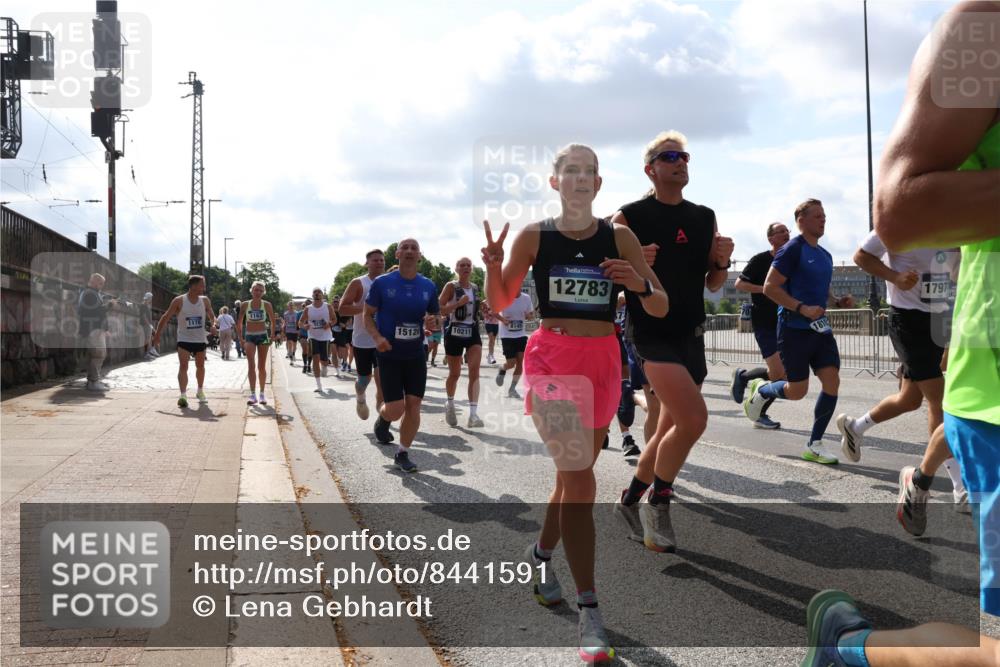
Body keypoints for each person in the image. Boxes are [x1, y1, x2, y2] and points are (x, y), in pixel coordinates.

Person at [802, 4, 999, 665]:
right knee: (929, 399)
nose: (820, 220)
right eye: (814, 214)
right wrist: (896, 277)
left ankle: (905, 464)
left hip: (949, 319)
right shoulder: (986, 25)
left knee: (921, 398)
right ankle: (928, 477)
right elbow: (891, 221)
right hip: (927, 327)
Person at [484, 143, 667, 663]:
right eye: (570, 170)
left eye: (589, 171)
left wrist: (637, 283)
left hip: (603, 362)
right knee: (582, 480)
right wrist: (494, 268)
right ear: (555, 181)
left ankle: (540, 554)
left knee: (571, 478)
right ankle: (590, 609)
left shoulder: (620, 236)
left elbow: (660, 303)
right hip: (552, 359)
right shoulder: (535, 235)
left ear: (599, 183)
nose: (580, 178)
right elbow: (501, 302)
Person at [612, 130, 734, 555]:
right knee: (694, 420)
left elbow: (714, 283)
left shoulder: (704, 216)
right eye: (669, 157)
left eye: (684, 156)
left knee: (668, 427)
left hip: (691, 333)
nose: (680, 162)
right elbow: (602, 271)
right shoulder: (628, 217)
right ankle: (658, 503)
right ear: (650, 169)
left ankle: (628, 501)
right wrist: (632, 261)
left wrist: (722, 261)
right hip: (651, 333)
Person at [839, 232, 967, 530]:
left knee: (909, 400)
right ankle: (960, 487)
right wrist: (895, 277)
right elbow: (861, 256)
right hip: (906, 319)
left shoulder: (955, 224)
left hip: (937, 318)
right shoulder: (901, 218)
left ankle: (855, 427)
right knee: (939, 400)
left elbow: (957, 274)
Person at [741, 199, 854, 465]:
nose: (823, 220)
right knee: (797, 391)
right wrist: (801, 308)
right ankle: (763, 390)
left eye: (824, 216)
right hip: (793, 328)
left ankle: (814, 444)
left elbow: (822, 290)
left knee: (832, 382)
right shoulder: (792, 249)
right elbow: (770, 287)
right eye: (817, 216)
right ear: (801, 220)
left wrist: (837, 301)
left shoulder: (825, 255)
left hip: (820, 329)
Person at [364, 238, 441, 472]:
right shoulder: (382, 283)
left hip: (415, 353)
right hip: (389, 354)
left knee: (414, 404)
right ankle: (383, 419)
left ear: (420, 256)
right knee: (395, 409)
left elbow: (436, 317)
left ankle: (402, 452)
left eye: (414, 248)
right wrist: (377, 338)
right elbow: (367, 315)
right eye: (404, 248)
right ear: (397, 254)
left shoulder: (428, 285)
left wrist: (433, 322)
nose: (409, 251)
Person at [729, 222, 790, 429]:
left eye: (787, 231)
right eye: (780, 231)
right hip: (765, 322)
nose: (786, 234)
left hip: (786, 323)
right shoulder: (760, 260)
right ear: (770, 238)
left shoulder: (791, 261)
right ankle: (759, 413)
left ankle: (744, 377)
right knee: (779, 374)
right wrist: (765, 288)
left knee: (782, 374)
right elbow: (739, 284)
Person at [152, 275, 216, 408]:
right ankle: (183, 395)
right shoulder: (179, 301)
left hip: (199, 339)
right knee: (183, 366)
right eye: (202, 285)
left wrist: (214, 324)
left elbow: (211, 315)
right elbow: (165, 317)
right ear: (193, 286)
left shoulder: (205, 300)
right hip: (184, 339)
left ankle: (200, 391)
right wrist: (157, 335)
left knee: (200, 366)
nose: (204, 288)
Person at [339, 249, 387, 420]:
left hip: (383, 340)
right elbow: (342, 308)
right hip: (362, 341)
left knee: (382, 380)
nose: (379, 263)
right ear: (367, 263)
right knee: (364, 380)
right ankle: (360, 397)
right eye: (375, 260)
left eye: (382, 260)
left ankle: (382, 420)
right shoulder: (359, 283)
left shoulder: (390, 283)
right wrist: (367, 308)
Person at [440, 258, 485, 428]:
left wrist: (483, 307)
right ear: (456, 269)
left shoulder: (475, 287)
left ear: (471, 269)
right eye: (462, 265)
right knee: (455, 374)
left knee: (475, 372)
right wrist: (458, 304)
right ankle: (450, 403)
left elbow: (474, 310)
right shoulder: (451, 286)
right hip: (454, 331)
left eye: (468, 265)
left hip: (472, 331)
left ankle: (473, 415)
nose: (466, 267)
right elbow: (439, 308)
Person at [236, 281, 277, 406]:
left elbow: (273, 320)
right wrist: (241, 338)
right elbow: (239, 323)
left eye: (260, 290)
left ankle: (262, 394)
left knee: (261, 366)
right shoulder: (245, 304)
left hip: (263, 336)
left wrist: (272, 335)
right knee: (251, 365)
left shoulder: (267, 305)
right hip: (249, 336)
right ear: (252, 291)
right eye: (256, 290)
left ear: (263, 292)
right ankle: (253, 394)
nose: (258, 292)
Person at [77, 272, 119, 391]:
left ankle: (92, 381)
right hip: (93, 329)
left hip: (92, 329)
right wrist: (110, 305)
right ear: (95, 282)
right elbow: (96, 311)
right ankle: (93, 382)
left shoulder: (89, 293)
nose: (102, 286)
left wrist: (105, 329)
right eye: (101, 283)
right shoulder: (90, 293)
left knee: (95, 355)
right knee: (98, 354)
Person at [494, 283, 534, 400]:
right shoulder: (503, 298)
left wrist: (529, 315)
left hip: (520, 335)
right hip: (507, 335)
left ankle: (512, 388)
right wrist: (503, 319)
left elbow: (531, 314)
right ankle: (502, 368)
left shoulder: (526, 298)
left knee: (520, 362)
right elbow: (494, 312)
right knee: (511, 363)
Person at [299, 288, 336, 393]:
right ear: (312, 295)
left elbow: (334, 319)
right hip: (313, 336)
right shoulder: (308, 308)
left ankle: (324, 366)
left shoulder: (328, 306)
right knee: (315, 357)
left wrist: (329, 324)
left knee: (324, 360)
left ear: (322, 295)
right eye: (315, 292)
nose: (317, 294)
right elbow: (300, 322)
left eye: (319, 292)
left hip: (325, 336)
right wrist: (304, 326)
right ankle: (319, 385)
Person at [332, 296, 351, 376]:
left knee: (340, 355)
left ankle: (341, 362)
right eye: (334, 302)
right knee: (333, 352)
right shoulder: (330, 312)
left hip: (342, 334)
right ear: (332, 303)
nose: (336, 303)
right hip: (332, 334)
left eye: (337, 302)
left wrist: (345, 325)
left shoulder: (344, 311)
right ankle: (337, 370)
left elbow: (349, 321)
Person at [282, 301, 300, 365]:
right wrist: (283, 328)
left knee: (294, 344)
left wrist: (299, 330)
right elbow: (285, 322)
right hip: (288, 330)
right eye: (290, 305)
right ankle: (291, 358)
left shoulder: (297, 313)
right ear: (288, 306)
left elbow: (298, 322)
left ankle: (293, 354)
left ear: (294, 306)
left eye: (292, 305)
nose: (291, 306)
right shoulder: (285, 314)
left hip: (295, 331)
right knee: (289, 343)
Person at [140, 292, 157, 360]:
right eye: (151, 298)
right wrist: (149, 324)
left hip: (149, 324)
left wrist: (150, 324)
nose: (151, 299)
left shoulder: (147, 305)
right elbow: (144, 316)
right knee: (147, 338)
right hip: (145, 324)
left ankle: (152, 349)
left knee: (154, 334)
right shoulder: (143, 305)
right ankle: (146, 354)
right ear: (148, 298)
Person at [297, 300, 311, 376]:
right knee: (305, 349)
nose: (307, 306)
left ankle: (309, 365)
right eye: (306, 305)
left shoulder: (314, 313)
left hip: (312, 335)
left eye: (309, 304)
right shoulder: (299, 313)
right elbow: (297, 323)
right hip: (303, 334)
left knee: (310, 351)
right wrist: (299, 329)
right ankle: (305, 365)